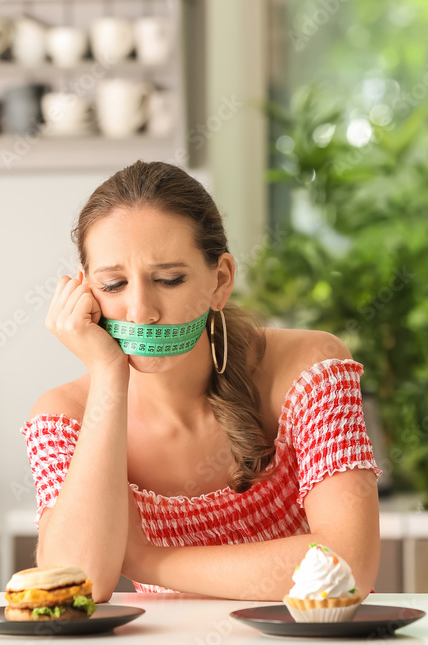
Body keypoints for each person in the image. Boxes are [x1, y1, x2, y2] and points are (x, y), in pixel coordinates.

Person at [22, 160, 382, 602]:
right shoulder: (64, 417)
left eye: (169, 279)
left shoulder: (310, 368)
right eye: (114, 285)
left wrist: (145, 558)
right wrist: (108, 376)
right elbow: (75, 581)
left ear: (220, 280)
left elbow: (348, 567)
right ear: (85, 295)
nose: (141, 312)